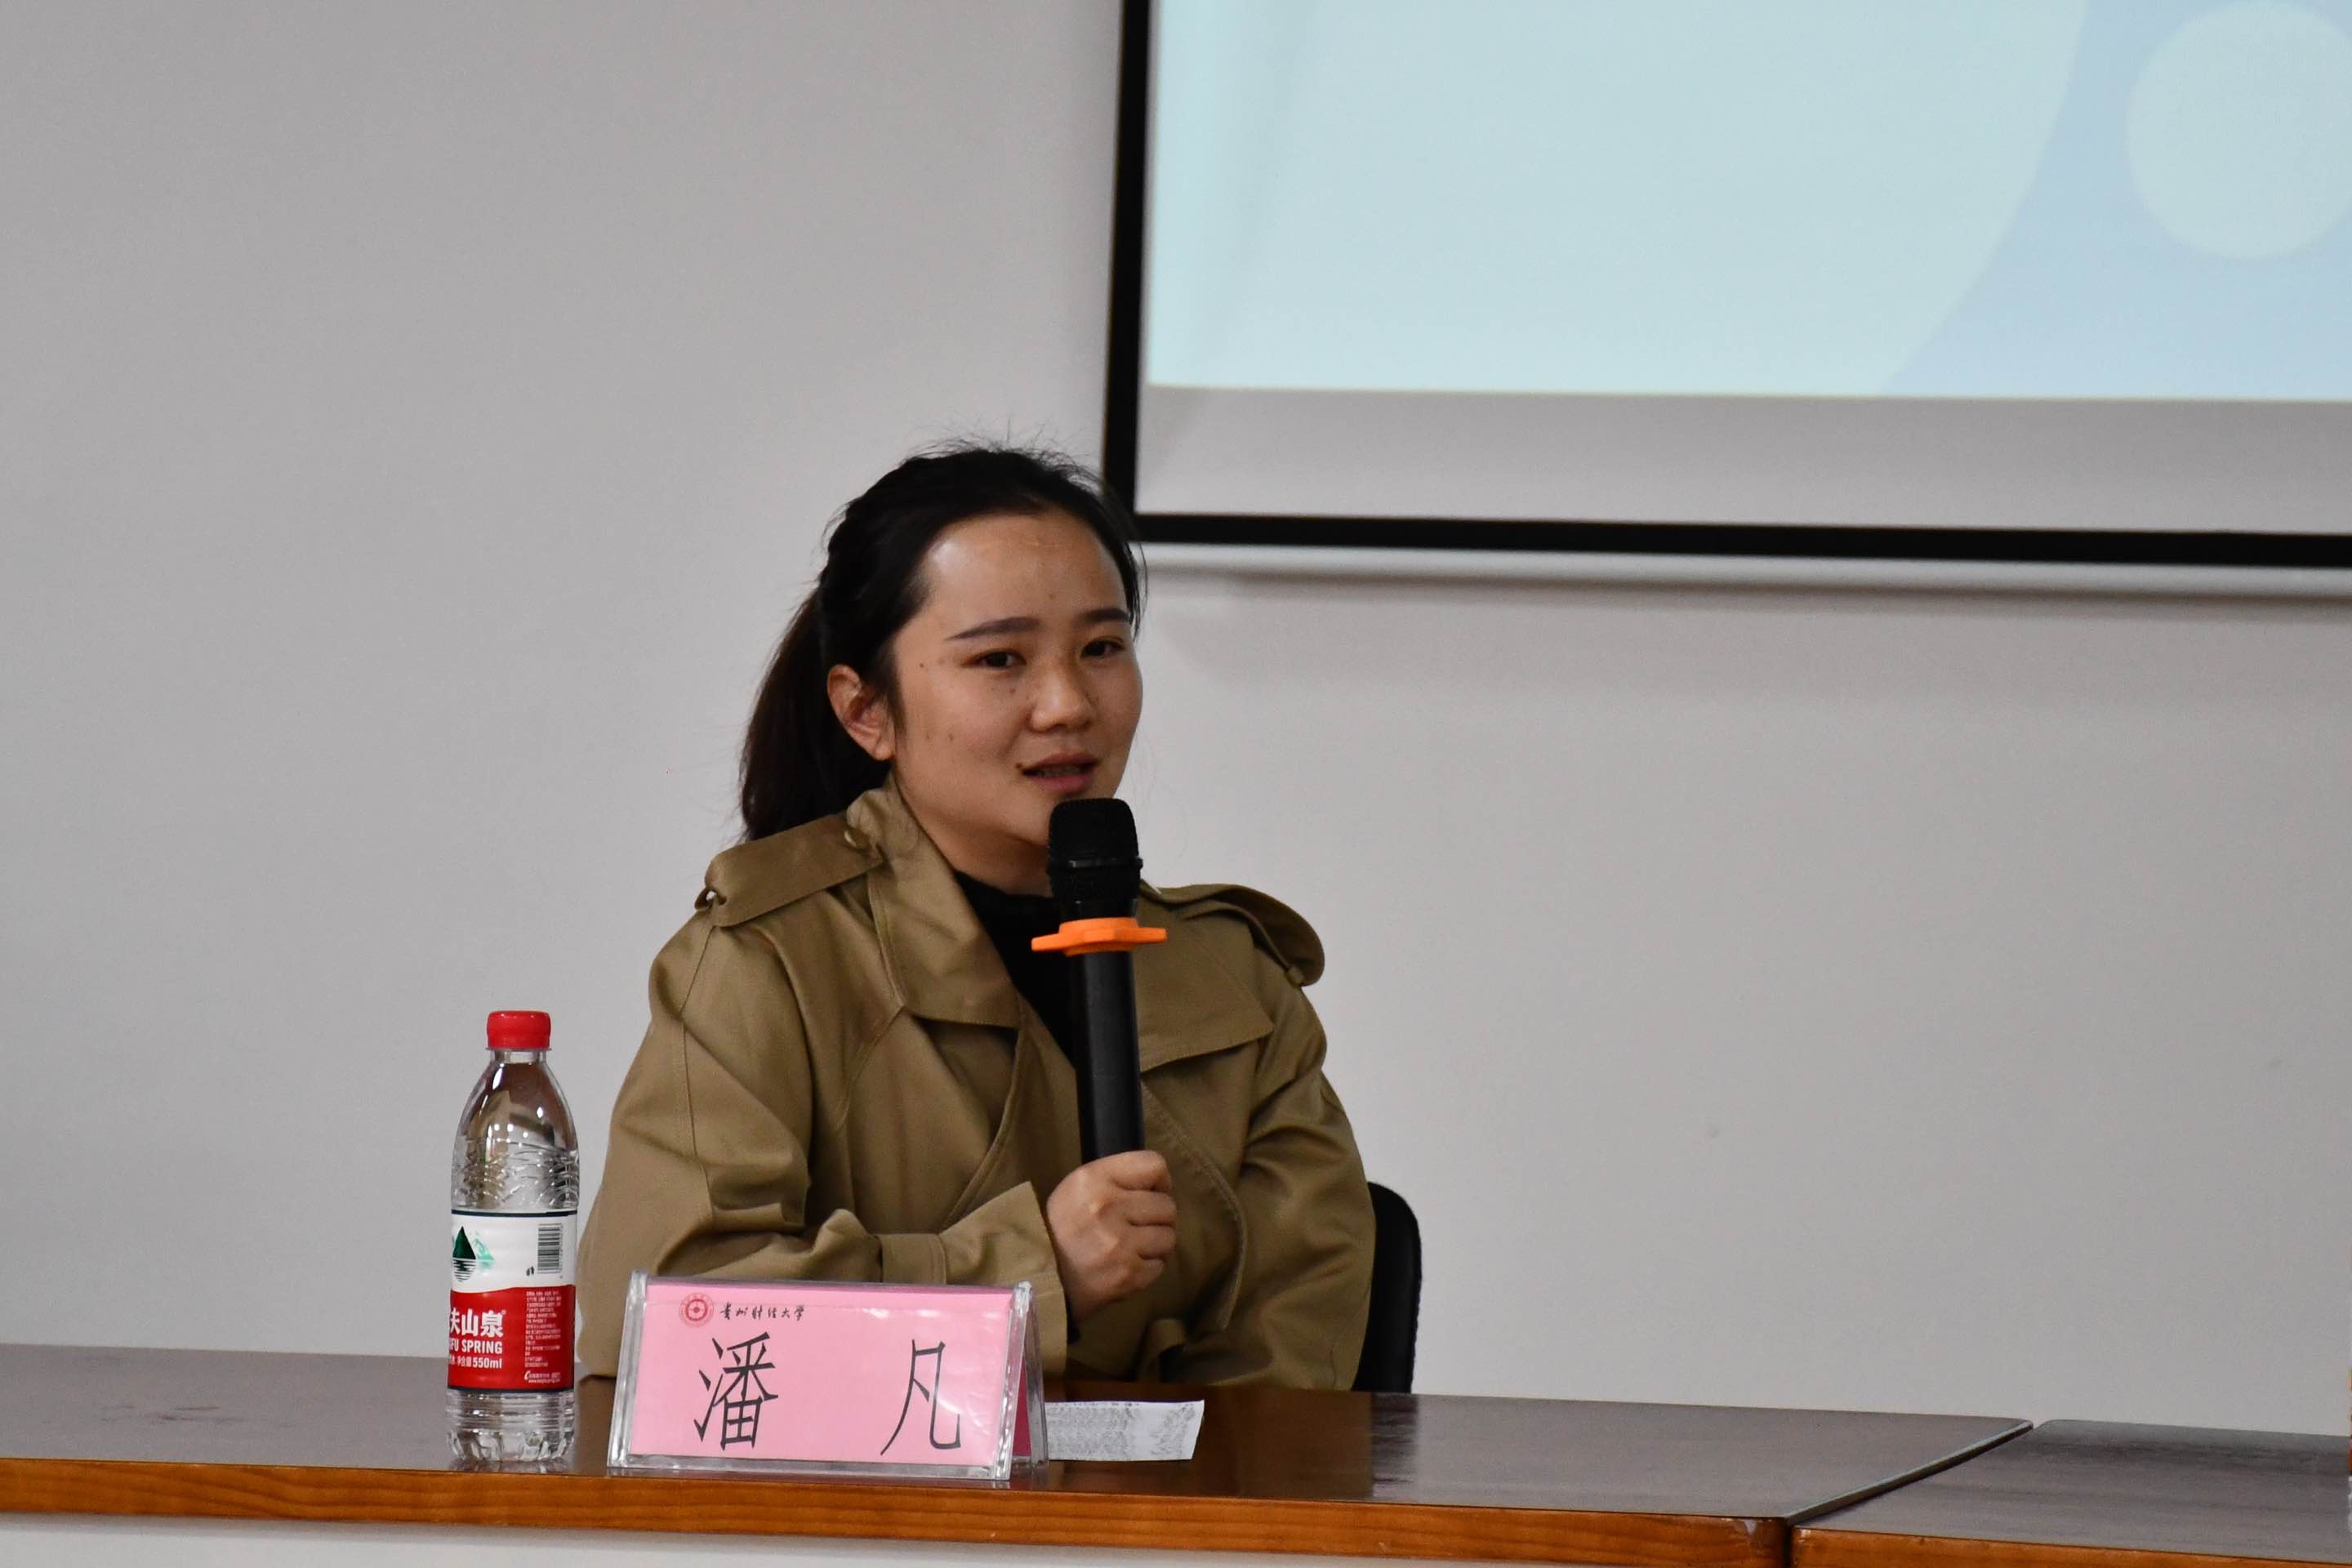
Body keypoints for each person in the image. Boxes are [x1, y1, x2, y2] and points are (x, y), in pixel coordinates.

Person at [577, 443, 1373, 1387]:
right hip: (850, 1491)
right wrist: (1030, 1273)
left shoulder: (1238, 985)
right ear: (867, 710)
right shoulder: (764, 966)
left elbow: (1293, 1378)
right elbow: (666, 1332)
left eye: (1102, 648)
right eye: (1000, 659)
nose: (1067, 705)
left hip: (1180, 1491)